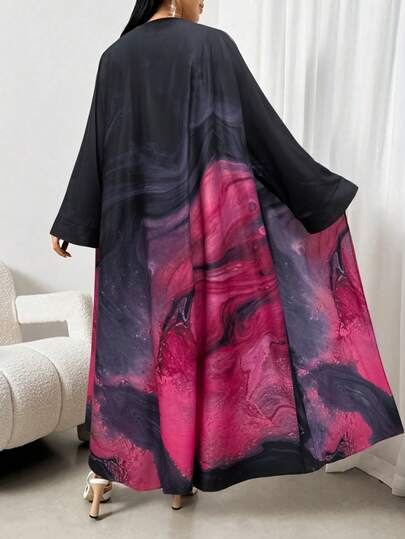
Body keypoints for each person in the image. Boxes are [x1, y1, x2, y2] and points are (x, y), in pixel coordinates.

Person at [50, 0, 404, 520]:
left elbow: (96, 148)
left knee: (134, 352)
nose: (204, 4)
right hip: (202, 238)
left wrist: (71, 220)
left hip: (131, 237)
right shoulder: (212, 46)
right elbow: (263, 135)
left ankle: (120, 472)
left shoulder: (115, 57)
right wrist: (317, 195)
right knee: (193, 351)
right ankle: (180, 477)